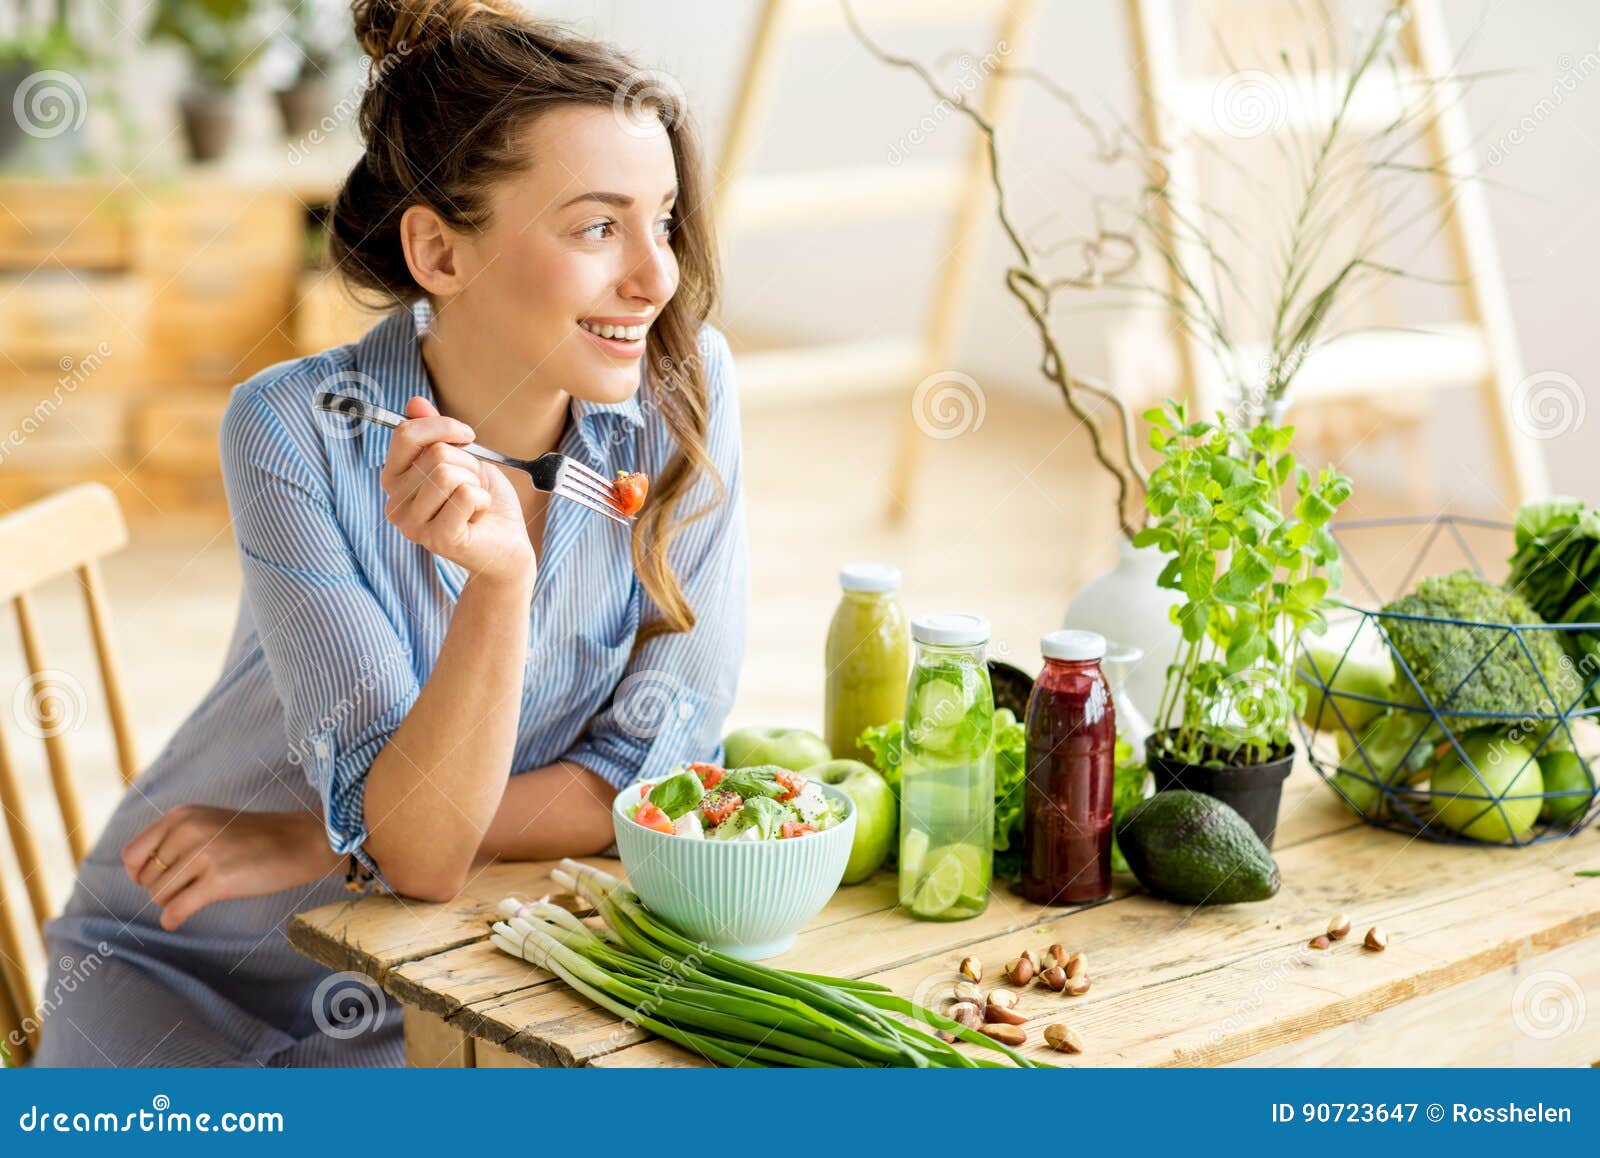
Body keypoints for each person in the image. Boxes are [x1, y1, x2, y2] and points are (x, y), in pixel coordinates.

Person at [31, 0, 745, 1067]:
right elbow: (418, 848)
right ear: (438, 252)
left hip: (440, 968)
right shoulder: (292, 431)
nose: (658, 277)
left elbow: (654, 773)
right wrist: (498, 590)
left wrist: (328, 837)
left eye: (664, 219)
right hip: (181, 955)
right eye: (599, 226)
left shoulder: (684, 398)